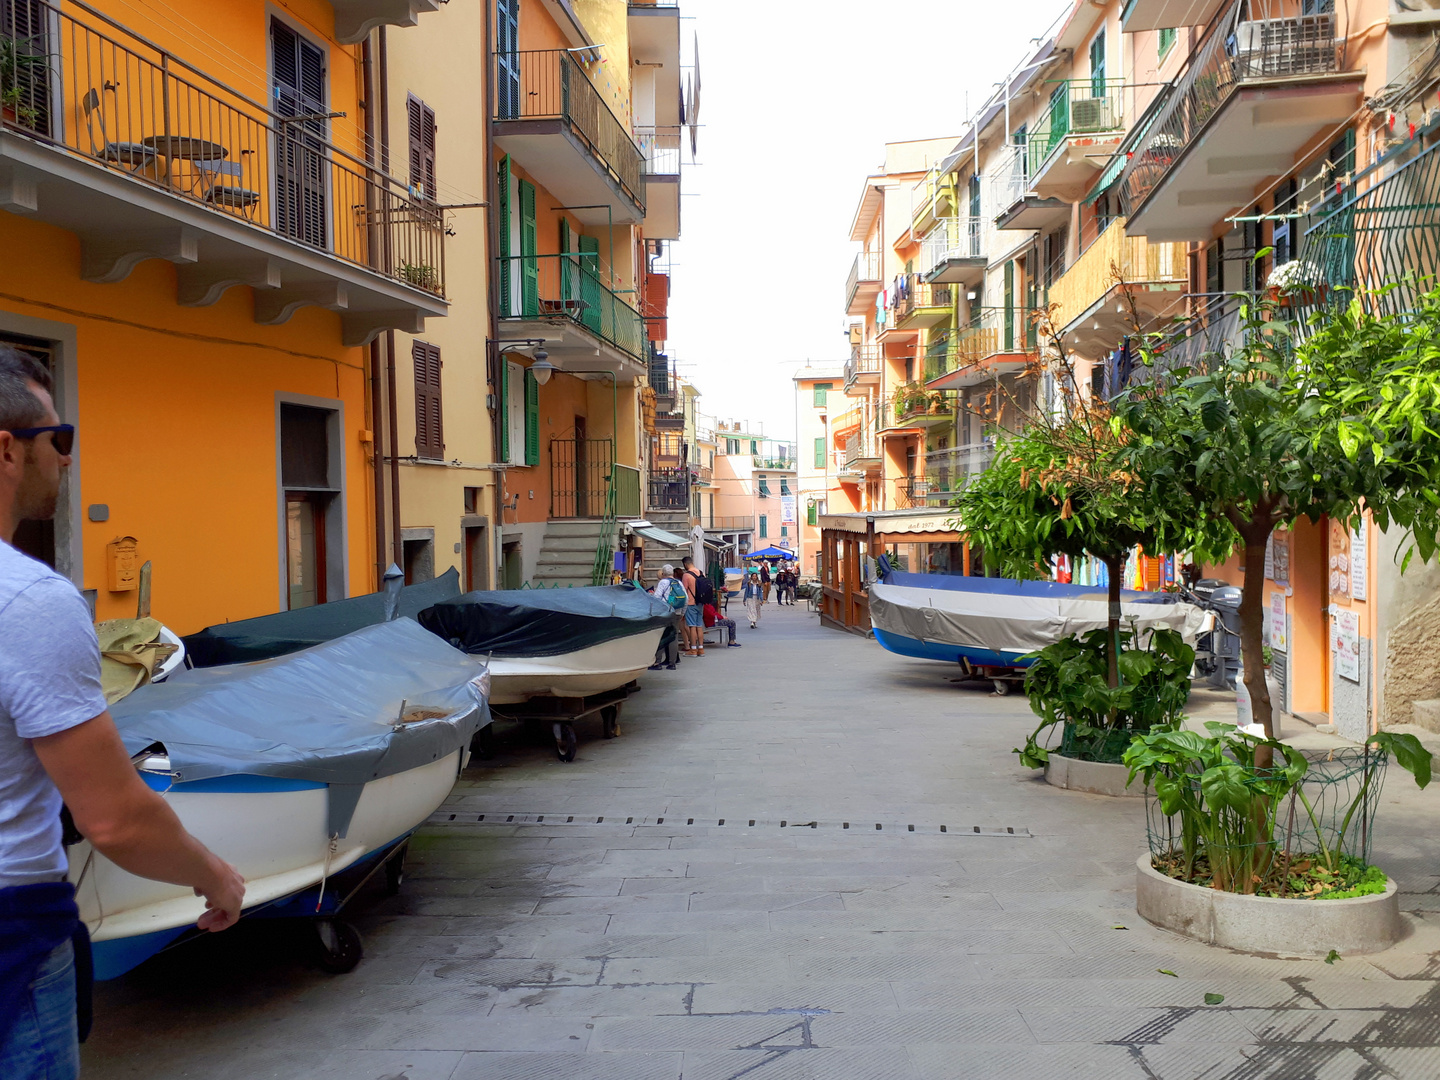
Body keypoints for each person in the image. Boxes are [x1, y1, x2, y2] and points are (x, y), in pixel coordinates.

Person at [0, 346, 245, 1079]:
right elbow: (114, 821)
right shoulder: (30, 603)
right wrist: (215, 876)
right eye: (60, 438)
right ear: (7, 450)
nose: (68, 459)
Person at [648, 564, 684, 670]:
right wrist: (682, 613)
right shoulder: (679, 583)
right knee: (674, 637)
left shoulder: (663, 582)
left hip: (665, 613)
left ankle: (657, 662)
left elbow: (657, 598)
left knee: (661, 636)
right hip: (677, 613)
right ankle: (672, 663)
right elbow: (685, 599)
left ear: (663, 574)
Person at [679, 556, 705, 657]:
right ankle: (701, 649)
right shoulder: (700, 572)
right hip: (700, 603)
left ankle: (693, 650)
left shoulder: (686, 575)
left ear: (685, 564)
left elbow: (684, 590)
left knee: (692, 626)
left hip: (691, 603)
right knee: (699, 626)